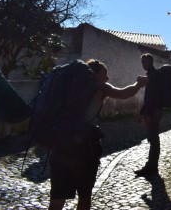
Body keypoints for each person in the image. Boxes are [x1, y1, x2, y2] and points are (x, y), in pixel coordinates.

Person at [48, 59, 146, 210]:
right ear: (96, 73)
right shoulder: (100, 88)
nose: (107, 78)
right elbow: (125, 93)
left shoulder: (66, 87)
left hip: (59, 145)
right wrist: (138, 83)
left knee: (57, 199)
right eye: (104, 74)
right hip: (84, 150)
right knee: (84, 197)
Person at [134, 53, 163, 177]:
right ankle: (152, 166)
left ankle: (151, 167)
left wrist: (146, 113)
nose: (144, 64)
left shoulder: (152, 76)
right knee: (153, 138)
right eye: (143, 62)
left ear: (151, 62)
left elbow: (151, 98)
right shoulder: (151, 75)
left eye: (146, 62)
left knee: (153, 138)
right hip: (155, 110)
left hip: (154, 110)